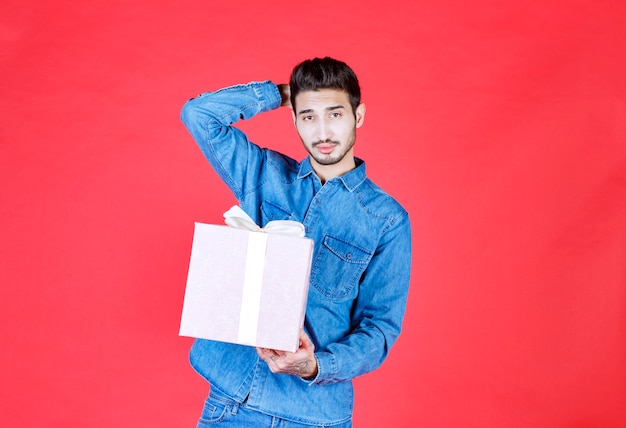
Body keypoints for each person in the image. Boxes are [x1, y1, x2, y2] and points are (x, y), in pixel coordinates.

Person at [180, 57, 412, 427]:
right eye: (308, 117)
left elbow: (380, 327)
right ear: (294, 120)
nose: (322, 131)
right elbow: (198, 115)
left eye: (335, 114)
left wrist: (317, 365)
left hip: (314, 416)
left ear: (359, 115)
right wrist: (279, 94)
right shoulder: (263, 175)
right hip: (231, 402)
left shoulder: (387, 221)